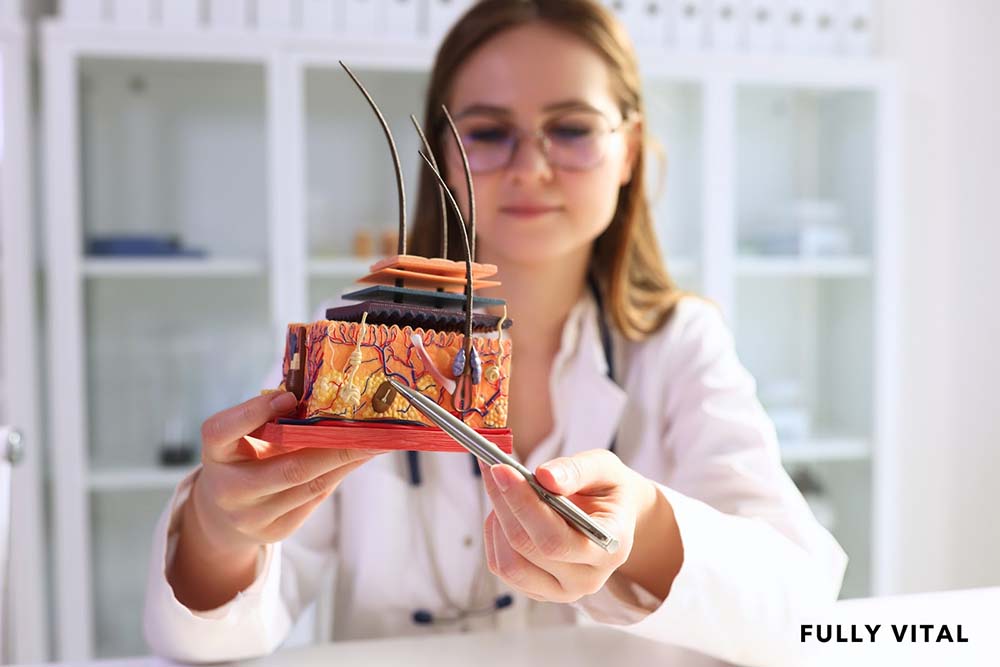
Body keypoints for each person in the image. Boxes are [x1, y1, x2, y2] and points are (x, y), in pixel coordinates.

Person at [144, 1, 847, 664]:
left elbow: (799, 607)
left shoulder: (680, 345)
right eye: (487, 132)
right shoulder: (356, 349)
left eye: (571, 129)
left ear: (629, 150)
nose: (530, 168)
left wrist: (646, 531)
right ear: (444, 155)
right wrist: (218, 530)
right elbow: (212, 634)